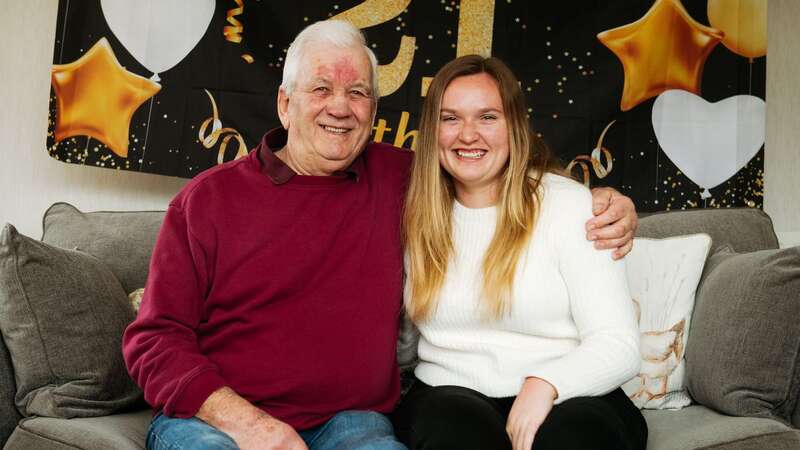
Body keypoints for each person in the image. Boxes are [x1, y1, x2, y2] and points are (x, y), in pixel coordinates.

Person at [122, 20, 639, 450]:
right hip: (221, 425)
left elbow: (486, 170)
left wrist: (603, 202)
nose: (340, 107)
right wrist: (253, 427)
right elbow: (154, 341)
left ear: (374, 108)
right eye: (321, 88)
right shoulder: (207, 201)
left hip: (352, 422)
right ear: (285, 103)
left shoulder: (406, 179)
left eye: (358, 92)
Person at [392, 55, 647, 450]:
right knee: (454, 433)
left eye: (488, 117)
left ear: (515, 126)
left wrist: (546, 383)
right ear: (432, 131)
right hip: (448, 395)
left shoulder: (570, 206)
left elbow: (619, 343)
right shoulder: (410, 212)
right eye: (451, 118)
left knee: (573, 437)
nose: (468, 134)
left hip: (570, 394)